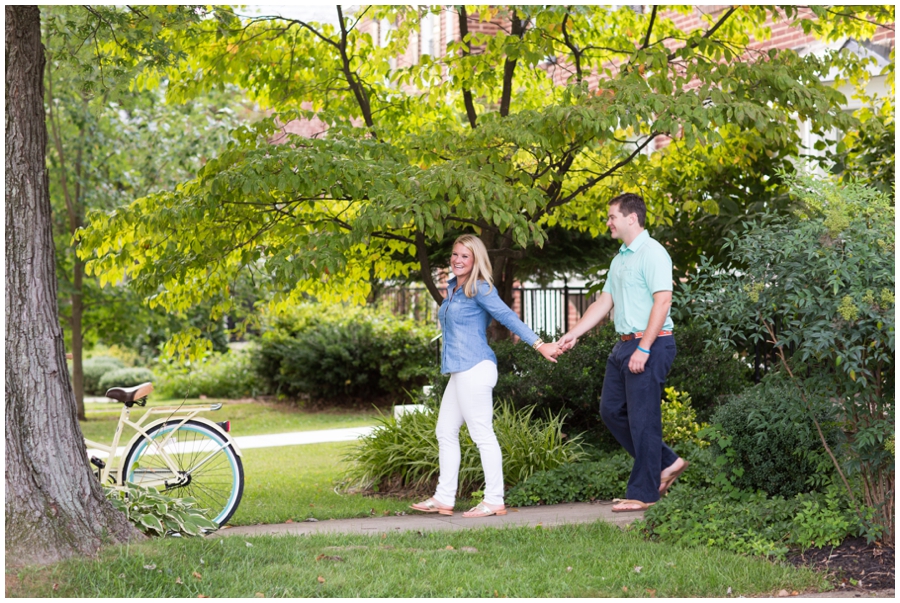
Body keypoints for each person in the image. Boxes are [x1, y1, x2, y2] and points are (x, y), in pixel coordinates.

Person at [411, 234, 560, 518]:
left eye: (464, 256)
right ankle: (444, 497)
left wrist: (540, 345)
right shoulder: (454, 288)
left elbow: (507, 317)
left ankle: (494, 499)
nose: (457, 260)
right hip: (460, 370)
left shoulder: (479, 288)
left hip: (475, 368)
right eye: (454, 255)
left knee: (482, 434)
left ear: (476, 259)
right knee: (445, 431)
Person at [557, 193, 688, 513]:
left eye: (612, 216)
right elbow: (604, 302)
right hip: (624, 345)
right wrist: (574, 333)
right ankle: (668, 462)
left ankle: (644, 493)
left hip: (651, 342)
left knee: (644, 419)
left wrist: (644, 348)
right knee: (610, 410)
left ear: (632, 218)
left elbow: (663, 302)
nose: (608, 222)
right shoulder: (620, 258)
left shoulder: (653, 253)